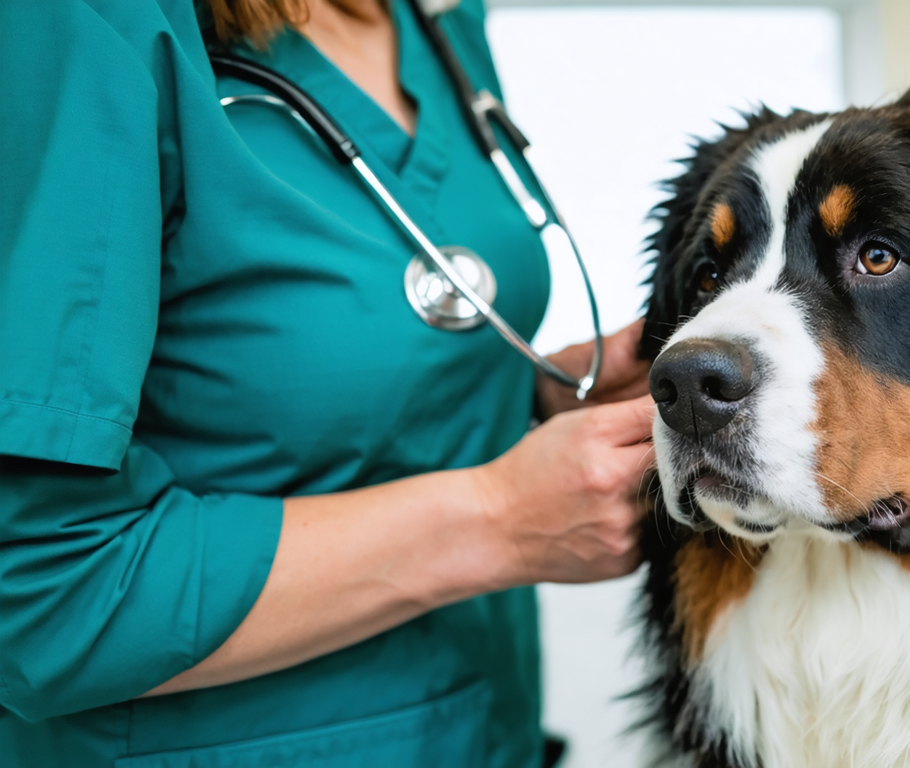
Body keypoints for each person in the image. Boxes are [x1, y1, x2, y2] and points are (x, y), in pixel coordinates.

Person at [0, 0, 655, 765]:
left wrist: (542, 398)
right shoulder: (85, 25)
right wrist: (497, 522)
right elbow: (39, 599)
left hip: (483, 726)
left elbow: (313, 365)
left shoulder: (435, 16)